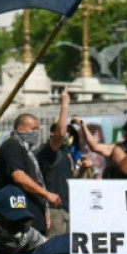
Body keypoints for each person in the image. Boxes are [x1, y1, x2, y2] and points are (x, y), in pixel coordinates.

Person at [0, 113, 56, 237]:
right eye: (33, 129)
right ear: (20, 129)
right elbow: (19, 177)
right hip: (21, 218)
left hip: (34, 219)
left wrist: (44, 210)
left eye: (37, 129)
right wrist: (47, 194)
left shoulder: (27, 151)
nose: (36, 133)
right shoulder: (12, 146)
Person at [35, 89, 73, 237]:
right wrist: (64, 104)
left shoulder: (65, 153)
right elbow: (60, 133)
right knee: (53, 249)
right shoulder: (47, 152)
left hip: (67, 210)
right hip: (54, 211)